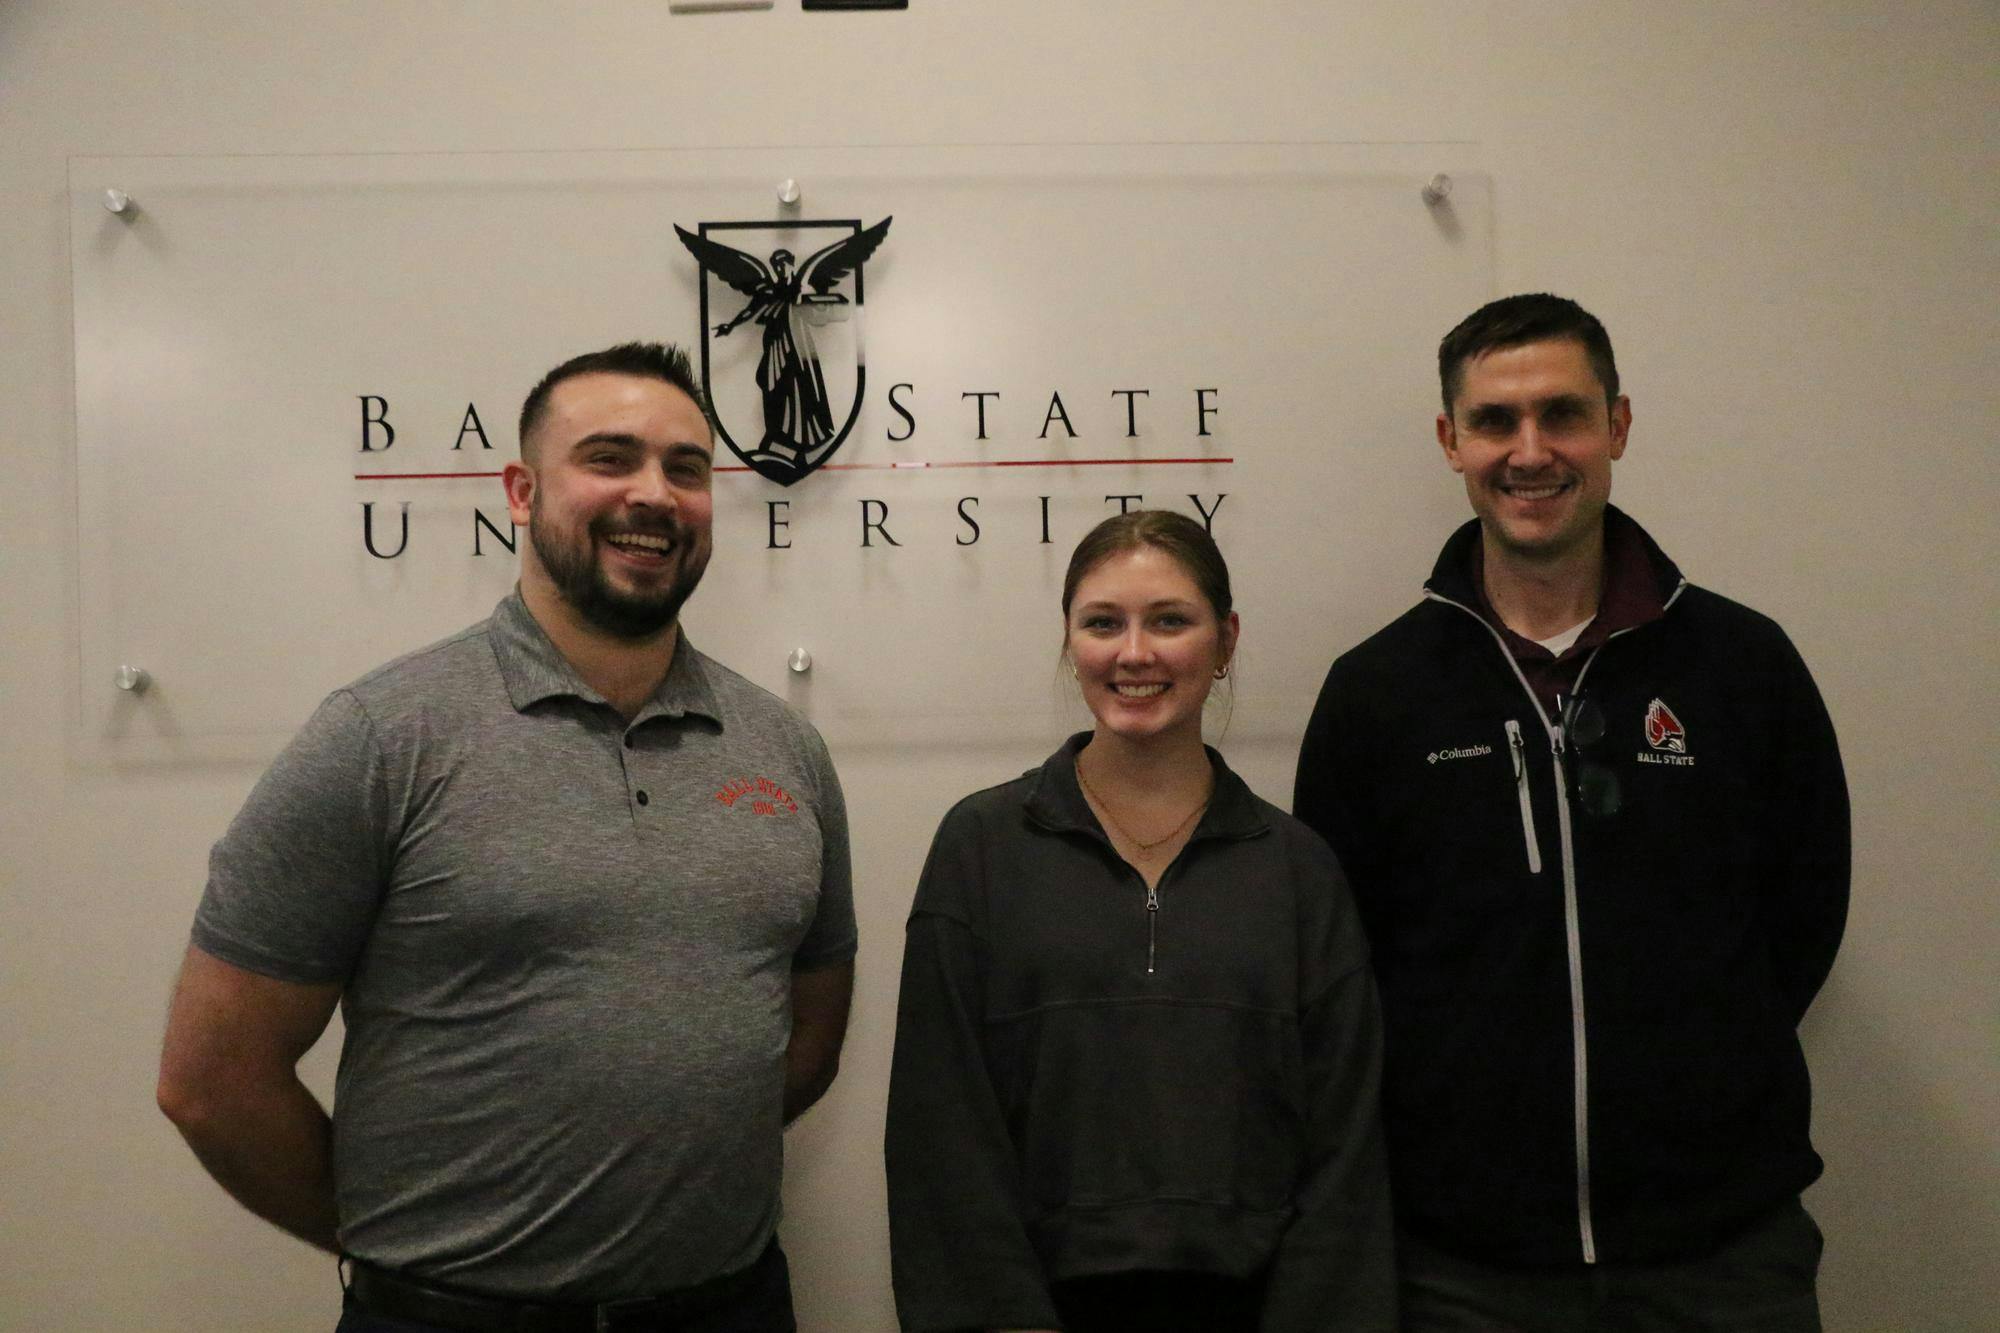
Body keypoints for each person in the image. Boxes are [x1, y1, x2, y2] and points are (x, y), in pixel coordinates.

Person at [156, 342, 856, 1332]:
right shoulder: (382, 735)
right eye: (609, 458)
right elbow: (211, 1078)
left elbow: (808, 1035)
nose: (654, 494)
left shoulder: (785, 748)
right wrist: (401, 1252)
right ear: (521, 492)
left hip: (731, 1308)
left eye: (686, 468)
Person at [1294, 294, 1849, 1330]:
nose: (1530, 450)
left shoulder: (1741, 666)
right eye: (1494, 420)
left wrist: (1706, 1071)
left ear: (1617, 425)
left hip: (1723, 1254)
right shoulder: (1377, 693)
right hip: (1465, 1270)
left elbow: (1803, 915)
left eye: (1563, 413)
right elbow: (1342, 960)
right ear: (1449, 440)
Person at [886, 510, 1396, 1333]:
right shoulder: (980, 848)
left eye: (1169, 620)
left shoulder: (1299, 870)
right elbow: (940, 1130)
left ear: (1225, 641)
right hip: (1036, 1312)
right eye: (1102, 623)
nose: (1134, 653)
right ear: (1069, 640)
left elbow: (1346, 1152)